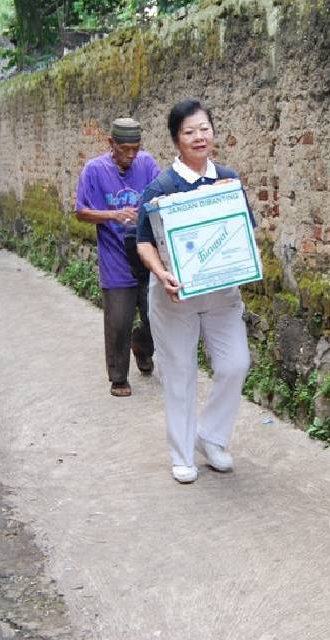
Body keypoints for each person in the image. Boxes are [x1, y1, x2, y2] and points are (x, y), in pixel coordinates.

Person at [136, 99, 253, 484]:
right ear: (176, 140)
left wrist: (226, 199)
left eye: (204, 128)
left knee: (235, 364)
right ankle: (182, 454)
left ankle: (211, 437)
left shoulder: (229, 179)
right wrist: (160, 272)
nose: (199, 137)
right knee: (181, 373)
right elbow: (143, 242)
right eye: (189, 131)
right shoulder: (161, 186)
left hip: (221, 295)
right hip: (175, 296)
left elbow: (244, 230)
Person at [74, 117, 161, 397]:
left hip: (147, 256)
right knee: (118, 321)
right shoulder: (94, 170)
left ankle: (142, 346)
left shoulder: (147, 164)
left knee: (156, 318)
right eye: (125, 149)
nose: (131, 155)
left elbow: (162, 195)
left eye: (135, 148)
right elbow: (81, 211)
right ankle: (119, 377)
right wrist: (113, 214)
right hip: (115, 257)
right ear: (111, 144)